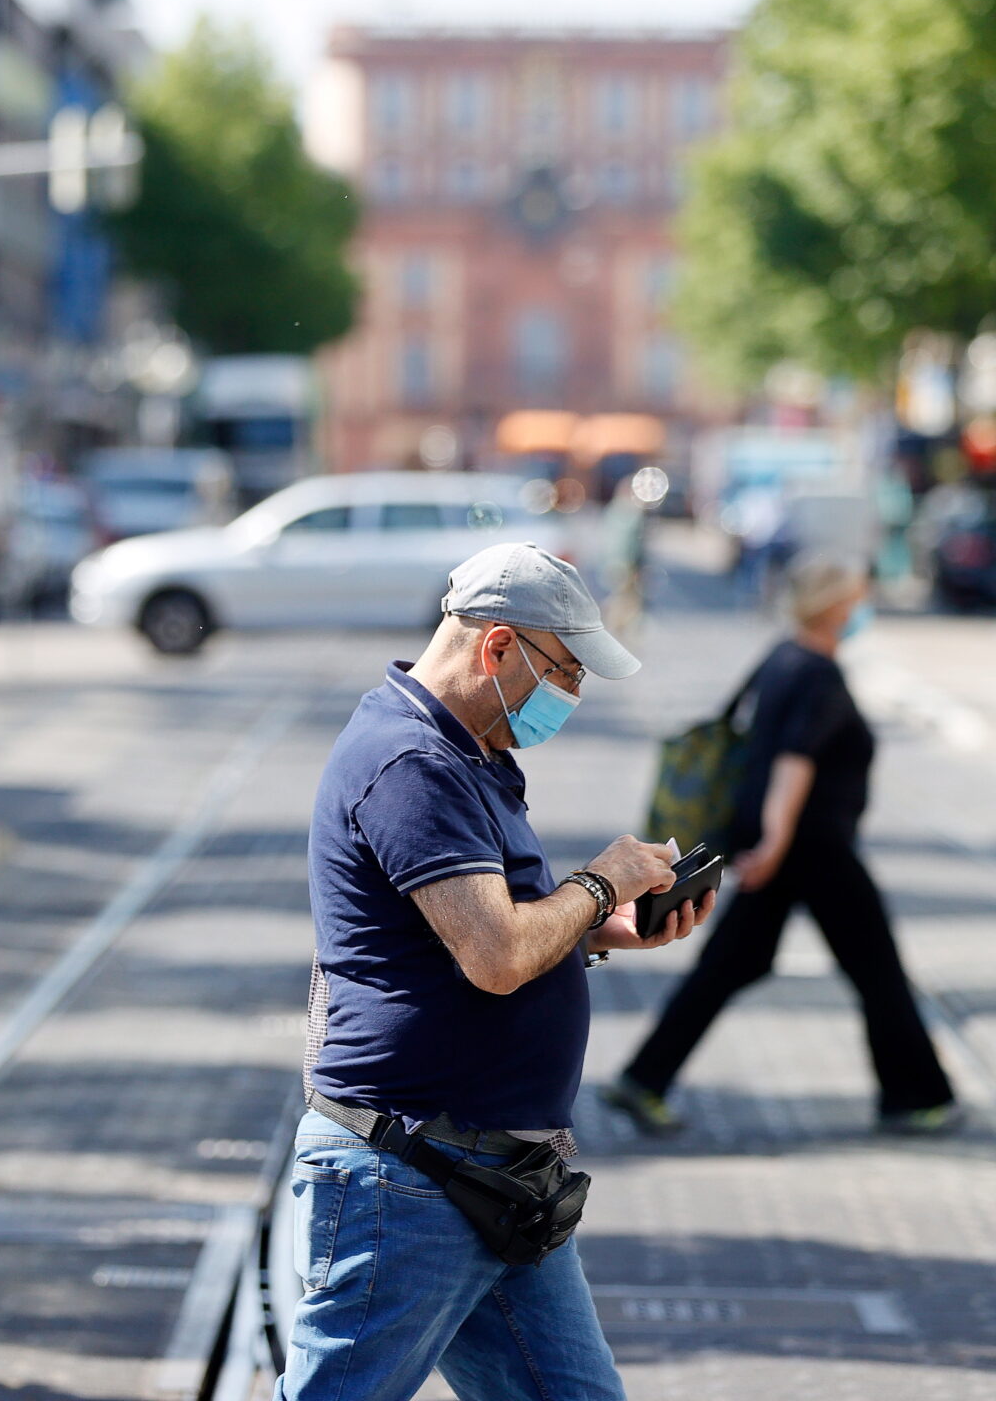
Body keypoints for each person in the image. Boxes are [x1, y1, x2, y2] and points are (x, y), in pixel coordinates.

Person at [284, 542, 712, 1401]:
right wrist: (600, 884)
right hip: (410, 1175)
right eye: (566, 671)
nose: (573, 695)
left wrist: (601, 930)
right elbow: (497, 956)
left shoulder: (469, 753)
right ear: (500, 645)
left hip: (493, 1180)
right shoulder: (412, 764)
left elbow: (479, 934)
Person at [603, 553, 960, 1138]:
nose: (862, 608)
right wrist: (775, 838)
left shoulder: (783, 656)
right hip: (813, 849)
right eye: (857, 599)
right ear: (836, 605)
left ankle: (644, 1078)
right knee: (877, 970)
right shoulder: (817, 673)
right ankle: (915, 1097)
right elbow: (794, 760)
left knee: (730, 964)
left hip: (788, 847)